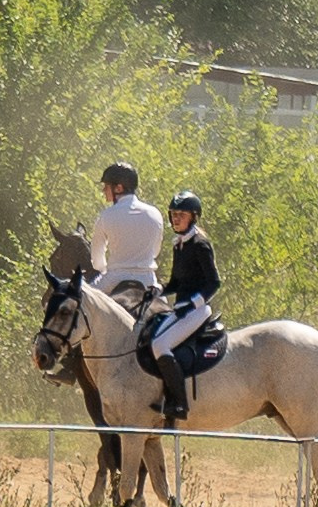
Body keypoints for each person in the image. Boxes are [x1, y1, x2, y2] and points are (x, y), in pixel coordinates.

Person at [151, 192, 220, 425]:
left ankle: (179, 404)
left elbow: (214, 282)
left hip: (197, 310)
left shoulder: (200, 244)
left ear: (193, 217)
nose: (176, 218)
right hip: (181, 308)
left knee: (160, 345)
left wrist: (193, 303)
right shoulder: (179, 245)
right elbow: (177, 283)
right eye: (173, 214)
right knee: (152, 338)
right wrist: (159, 289)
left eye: (181, 214)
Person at [86, 162, 164, 297]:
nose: (104, 190)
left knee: (79, 301)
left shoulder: (106, 215)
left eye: (106, 186)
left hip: (114, 279)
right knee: (166, 315)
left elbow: (97, 259)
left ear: (118, 188)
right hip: (148, 281)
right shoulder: (155, 213)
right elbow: (155, 252)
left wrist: (105, 269)